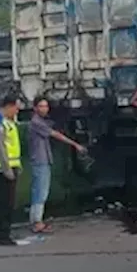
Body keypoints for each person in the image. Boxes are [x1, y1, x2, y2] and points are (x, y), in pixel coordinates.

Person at [27, 96, 85, 234]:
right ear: (35, 108)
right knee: (40, 192)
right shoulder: (36, 123)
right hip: (40, 161)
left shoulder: (39, 122)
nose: (44, 109)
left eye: (46, 106)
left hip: (43, 160)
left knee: (40, 191)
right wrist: (75, 144)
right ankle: (37, 222)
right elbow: (55, 134)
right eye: (41, 106)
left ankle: (36, 220)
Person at [0, 95, 23, 246]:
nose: (17, 111)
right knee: (3, 203)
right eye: (16, 108)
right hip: (1, 169)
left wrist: (17, 165)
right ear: (8, 106)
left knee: (9, 203)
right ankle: (2, 235)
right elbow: (0, 148)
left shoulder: (9, 122)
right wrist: (7, 169)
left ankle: (6, 232)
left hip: (10, 167)